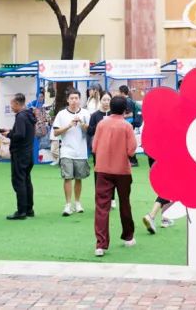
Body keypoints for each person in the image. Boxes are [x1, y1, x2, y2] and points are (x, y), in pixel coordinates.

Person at [91, 95, 138, 257]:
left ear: (110, 107)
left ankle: (101, 244)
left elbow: (94, 147)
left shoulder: (101, 124)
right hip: (122, 170)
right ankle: (128, 236)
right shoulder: (127, 126)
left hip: (102, 169)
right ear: (125, 109)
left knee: (101, 207)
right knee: (125, 203)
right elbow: (131, 150)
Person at [51, 89, 90, 216]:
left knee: (79, 178)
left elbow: (90, 130)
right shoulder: (61, 114)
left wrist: (82, 124)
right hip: (66, 151)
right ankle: (68, 204)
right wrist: (69, 125)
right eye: (71, 98)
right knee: (67, 178)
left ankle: (77, 202)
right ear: (67, 100)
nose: (74, 101)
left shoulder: (85, 113)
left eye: (76, 98)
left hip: (81, 151)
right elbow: (55, 132)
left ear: (80, 100)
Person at [0, 93, 36, 220]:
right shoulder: (29, 115)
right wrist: (11, 132)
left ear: (17, 103)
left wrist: (9, 135)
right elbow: (23, 133)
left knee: (19, 182)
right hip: (28, 153)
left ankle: (21, 211)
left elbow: (20, 135)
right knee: (26, 181)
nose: (11, 107)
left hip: (20, 154)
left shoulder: (21, 116)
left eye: (12, 105)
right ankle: (29, 209)